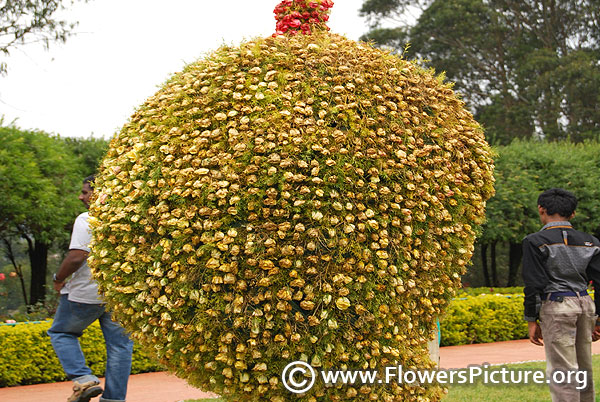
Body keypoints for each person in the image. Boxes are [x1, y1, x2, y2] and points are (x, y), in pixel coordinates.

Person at [48, 175, 134, 402]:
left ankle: (83, 378)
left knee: (61, 333)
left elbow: (77, 257)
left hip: (85, 293)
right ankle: (114, 399)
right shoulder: (129, 217)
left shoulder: (88, 219)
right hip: (119, 294)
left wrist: (58, 279)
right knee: (120, 346)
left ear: (102, 193)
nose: (81, 196)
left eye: (86, 192)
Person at [522, 188, 600, 402]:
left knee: (563, 371)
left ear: (541, 209)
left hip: (557, 305)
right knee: (584, 367)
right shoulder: (591, 242)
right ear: (572, 213)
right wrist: (598, 317)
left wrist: (531, 318)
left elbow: (533, 284)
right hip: (585, 304)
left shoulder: (534, 241)